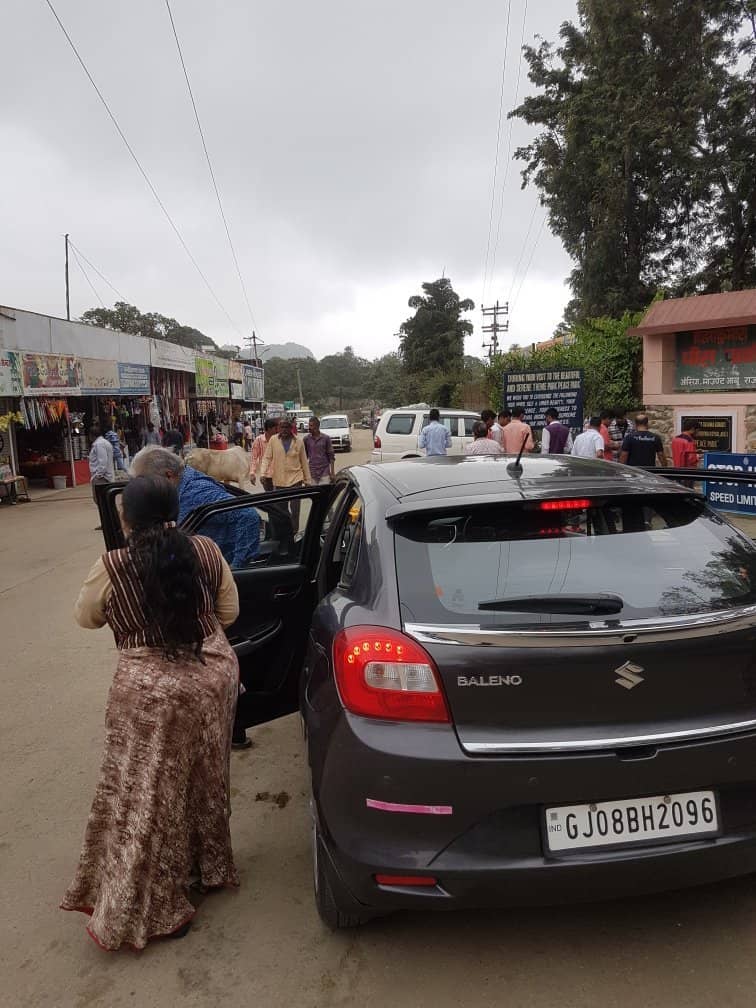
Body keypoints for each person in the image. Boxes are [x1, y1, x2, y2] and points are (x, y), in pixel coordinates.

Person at [62, 476, 240, 950]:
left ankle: (161, 908)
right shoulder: (204, 549)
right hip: (210, 677)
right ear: (175, 510)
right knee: (204, 778)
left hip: (149, 693)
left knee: (145, 798)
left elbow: (86, 617)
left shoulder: (112, 564)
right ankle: (211, 868)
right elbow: (230, 612)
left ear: (126, 518)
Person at [130, 446, 260, 569]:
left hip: (214, 570)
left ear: (168, 475)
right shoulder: (180, 485)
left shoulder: (196, 492)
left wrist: (237, 567)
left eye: (147, 482)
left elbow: (248, 514)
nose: (145, 489)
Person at [262, 418, 312, 530]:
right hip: (279, 481)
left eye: (287, 427)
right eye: (282, 427)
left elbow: (304, 462)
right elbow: (267, 457)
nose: (284, 429)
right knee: (280, 509)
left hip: (296, 480)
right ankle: (286, 531)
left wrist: (307, 481)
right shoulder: (273, 440)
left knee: (295, 509)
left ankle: (295, 532)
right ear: (278, 428)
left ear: (291, 428)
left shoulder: (298, 441)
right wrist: (263, 473)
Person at [88, 423, 114, 530]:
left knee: (101, 500)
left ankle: (107, 522)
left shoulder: (99, 444)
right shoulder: (104, 443)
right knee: (104, 500)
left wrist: (98, 475)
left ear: (91, 435)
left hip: (101, 478)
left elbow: (102, 461)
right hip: (105, 476)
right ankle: (109, 521)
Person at [304, 416, 336, 484]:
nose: (309, 428)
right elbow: (304, 457)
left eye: (311, 425)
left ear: (317, 426)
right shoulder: (306, 439)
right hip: (312, 471)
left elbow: (331, 456)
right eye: (309, 425)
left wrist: (332, 473)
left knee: (324, 492)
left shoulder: (326, 438)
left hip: (324, 471)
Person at [250, 417, 279, 491]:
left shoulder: (279, 439)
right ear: (269, 429)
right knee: (270, 497)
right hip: (266, 475)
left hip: (279, 473)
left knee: (279, 498)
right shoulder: (259, 440)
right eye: (275, 428)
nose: (277, 430)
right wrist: (252, 472)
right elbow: (254, 457)